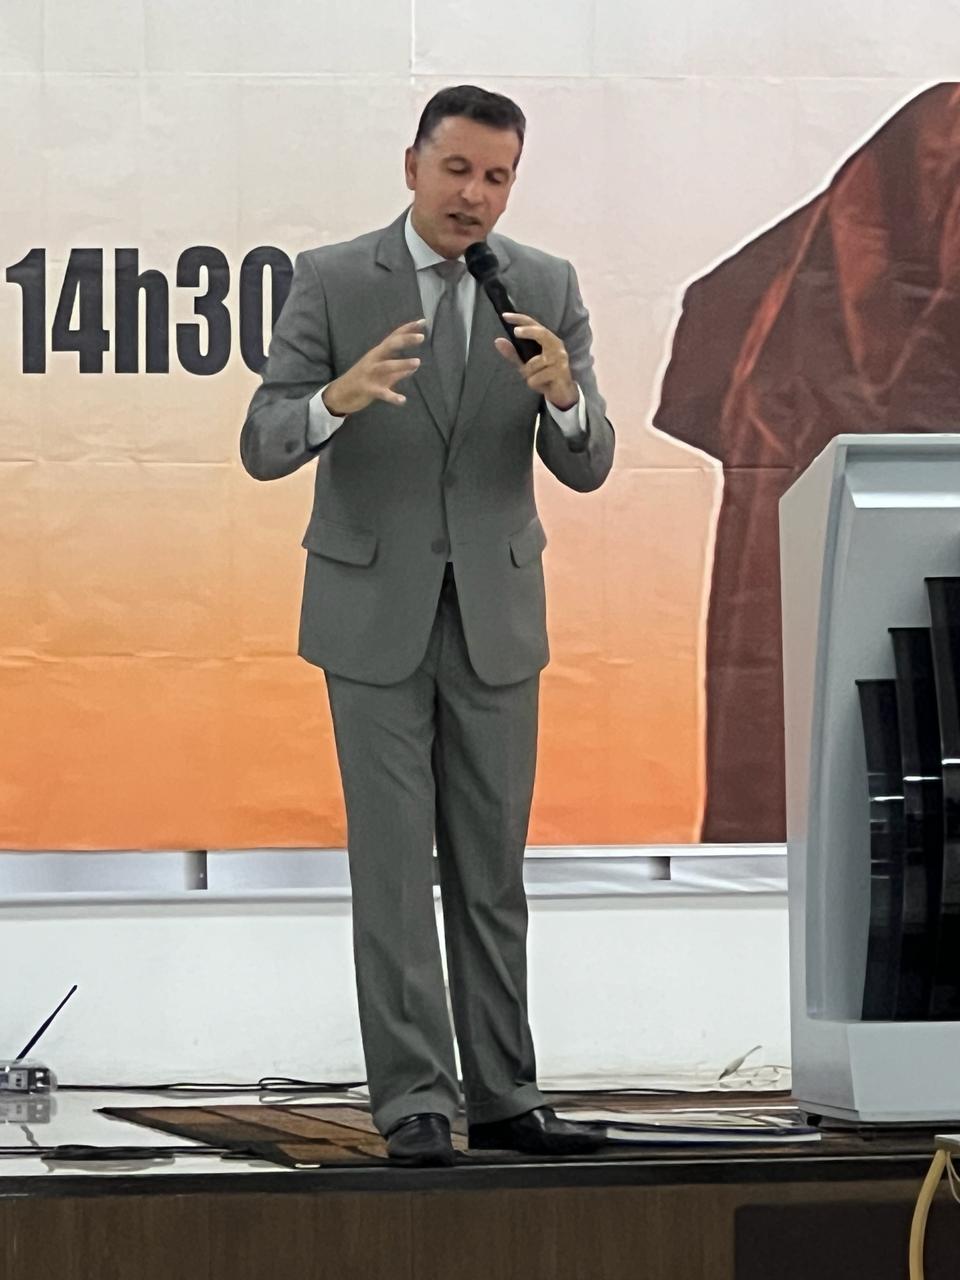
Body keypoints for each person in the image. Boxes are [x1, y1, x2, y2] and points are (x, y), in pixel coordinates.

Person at [240, 85, 615, 1166]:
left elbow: (589, 465)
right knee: (396, 868)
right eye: (457, 170)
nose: (474, 196)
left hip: (495, 613)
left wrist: (565, 399)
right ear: (412, 167)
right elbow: (263, 441)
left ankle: (506, 1094)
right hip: (372, 612)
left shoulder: (544, 286)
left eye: (497, 177)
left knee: (493, 867)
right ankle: (413, 1097)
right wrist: (334, 401)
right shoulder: (331, 279)